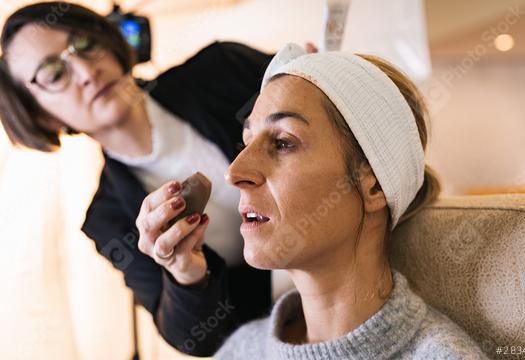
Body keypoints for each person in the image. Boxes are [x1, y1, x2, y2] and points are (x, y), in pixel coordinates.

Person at [0, 2, 274, 356]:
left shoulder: (221, 68)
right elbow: (196, 340)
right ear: (39, 115)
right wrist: (184, 273)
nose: (85, 71)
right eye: (54, 73)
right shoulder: (108, 219)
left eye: (82, 44)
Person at [211, 44, 488, 359]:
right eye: (246, 142)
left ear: (373, 187)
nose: (234, 172)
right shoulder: (240, 350)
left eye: (283, 142)